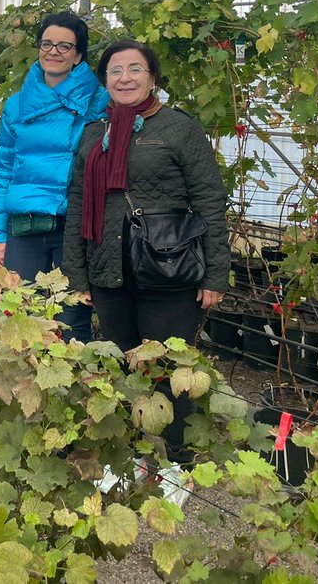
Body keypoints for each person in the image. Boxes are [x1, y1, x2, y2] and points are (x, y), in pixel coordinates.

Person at [61, 39, 230, 506]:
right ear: (105, 80)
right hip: (109, 269)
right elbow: (78, 204)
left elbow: (209, 199)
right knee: (122, 366)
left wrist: (216, 273)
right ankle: (132, 455)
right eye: (116, 71)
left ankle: (180, 464)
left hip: (167, 270)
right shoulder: (94, 133)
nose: (125, 78)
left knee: (169, 370)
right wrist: (77, 274)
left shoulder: (178, 128)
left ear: (152, 77)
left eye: (135, 69)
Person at [0, 11, 107, 340]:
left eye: (64, 46)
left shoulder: (100, 101)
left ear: (78, 56)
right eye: (47, 44)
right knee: (21, 314)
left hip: (75, 226)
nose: (54, 52)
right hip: (25, 227)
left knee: (71, 317)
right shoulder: (16, 105)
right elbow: (5, 170)